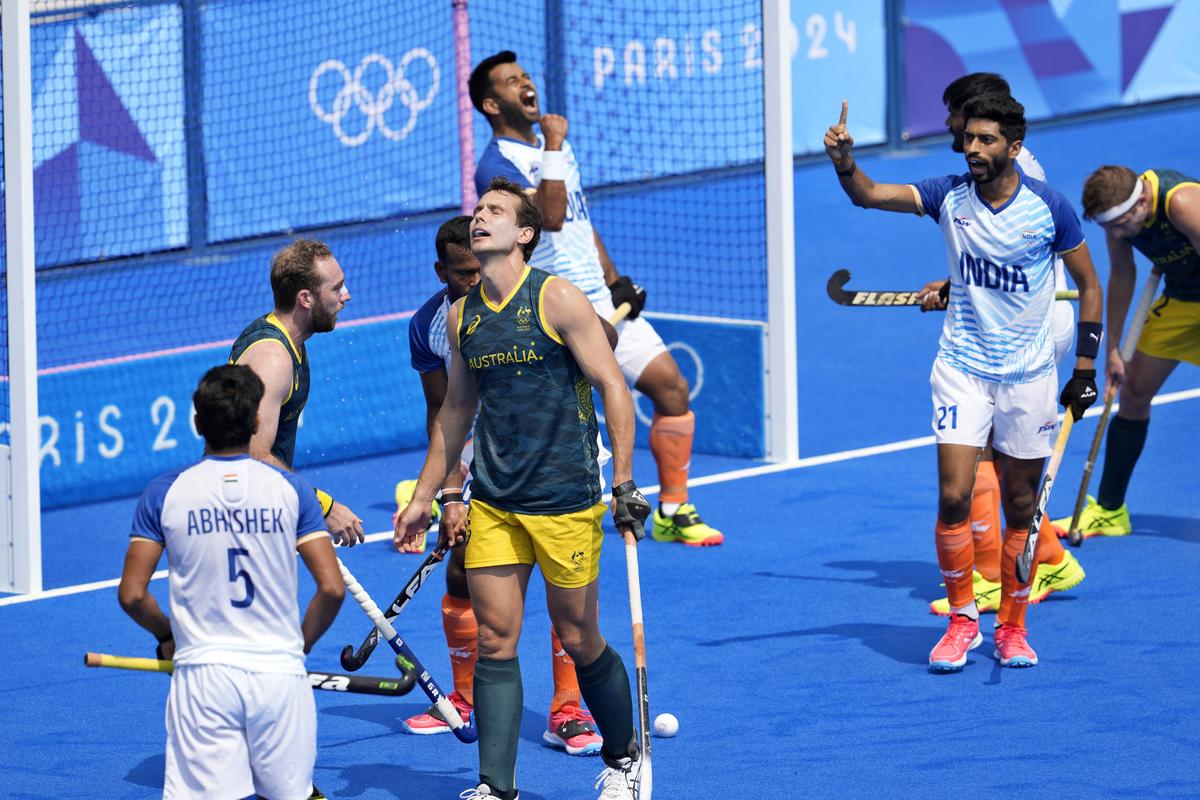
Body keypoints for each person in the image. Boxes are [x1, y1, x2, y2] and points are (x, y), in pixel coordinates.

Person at [826, 93, 1103, 669]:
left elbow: (1090, 285)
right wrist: (845, 162)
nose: (972, 148)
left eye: (985, 140)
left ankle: (1013, 627)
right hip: (963, 369)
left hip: (1027, 376)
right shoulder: (948, 195)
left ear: (1014, 148)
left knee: (1021, 506)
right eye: (969, 139)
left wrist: (1084, 369)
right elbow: (870, 196)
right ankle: (962, 622)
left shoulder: (1048, 208)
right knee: (953, 496)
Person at [395, 178, 650, 799]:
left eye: (495, 212)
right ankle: (496, 787)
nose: (479, 217)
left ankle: (624, 760)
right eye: (478, 210)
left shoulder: (557, 299)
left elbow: (614, 387)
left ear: (525, 233)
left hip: (566, 498)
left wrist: (622, 479)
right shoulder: (462, 317)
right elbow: (455, 413)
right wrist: (428, 496)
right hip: (497, 502)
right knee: (495, 638)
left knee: (578, 637)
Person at [467, 49, 723, 547]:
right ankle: (455, 487)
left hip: (602, 302)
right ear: (492, 105)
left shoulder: (552, 148)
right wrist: (556, 146)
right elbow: (552, 217)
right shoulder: (497, 165)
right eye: (509, 80)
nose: (524, 82)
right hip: (554, 311)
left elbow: (580, 221)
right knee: (529, 414)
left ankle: (672, 508)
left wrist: (613, 277)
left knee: (671, 390)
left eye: (524, 74)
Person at [117, 365, 344, 800]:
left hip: (203, 677)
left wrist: (167, 635)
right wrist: (298, 647)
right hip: (278, 674)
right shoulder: (292, 490)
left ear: (198, 423)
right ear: (258, 421)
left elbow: (132, 594)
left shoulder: (165, 493)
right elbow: (331, 589)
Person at [919, 73, 1085, 615]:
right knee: (988, 453)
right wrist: (955, 286)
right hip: (1017, 310)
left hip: (1034, 324)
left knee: (993, 450)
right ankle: (1049, 559)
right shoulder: (992, 166)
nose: (951, 128)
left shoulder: (1014, 174)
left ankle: (997, 572)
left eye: (955, 116)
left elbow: (1015, 245)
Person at [1053, 166, 1200, 536]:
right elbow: (1121, 274)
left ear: (1143, 202)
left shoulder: (1182, 203)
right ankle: (1110, 511)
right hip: (1184, 299)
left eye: (1120, 225)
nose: (1115, 235)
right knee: (1133, 393)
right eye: (1108, 228)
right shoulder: (1121, 218)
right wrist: (1114, 348)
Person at [229, 239, 365, 547]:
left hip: (256, 512)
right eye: (336, 288)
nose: (346, 296)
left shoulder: (290, 341)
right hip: (233, 523)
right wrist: (322, 506)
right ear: (305, 298)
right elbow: (250, 456)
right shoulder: (272, 359)